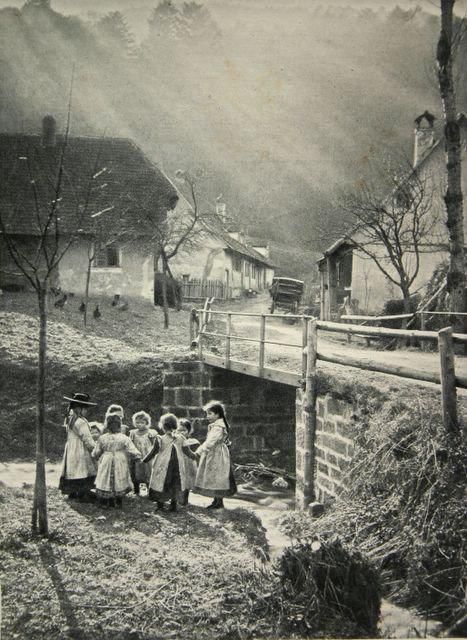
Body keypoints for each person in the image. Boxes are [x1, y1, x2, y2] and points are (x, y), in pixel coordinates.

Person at [193, 401, 236, 509]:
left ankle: (219, 502)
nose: (207, 416)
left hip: (217, 454)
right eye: (207, 414)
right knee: (214, 476)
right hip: (214, 453)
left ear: (218, 414)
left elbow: (210, 441)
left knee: (217, 476)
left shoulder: (218, 427)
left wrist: (199, 451)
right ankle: (216, 500)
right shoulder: (216, 425)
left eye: (210, 414)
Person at [92, 414, 142, 509]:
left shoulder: (102, 438)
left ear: (107, 425)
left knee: (105, 477)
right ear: (119, 425)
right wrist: (137, 456)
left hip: (107, 458)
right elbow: (132, 449)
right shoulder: (124, 438)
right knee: (119, 477)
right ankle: (118, 501)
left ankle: (107, 501)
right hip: (120, 459)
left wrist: (96, 456)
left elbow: (96, 452)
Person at [142, 413, 187, 512]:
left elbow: (154, 452)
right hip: (177, 466)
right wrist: (195, 456)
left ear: (163, 426)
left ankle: (160, 506)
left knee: (160, 483)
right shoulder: (181, 438)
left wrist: (145, 460)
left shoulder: (160, 439)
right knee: (174, 484)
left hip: (163, 465)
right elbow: (187, 450)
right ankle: (173, 505)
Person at [59, 392, 98, 501]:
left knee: (73, 468)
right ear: (78, 408)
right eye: (85, 409)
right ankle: (82, 493)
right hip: (80, 448)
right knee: (82, 468)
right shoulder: (80, 422)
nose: (86, 411)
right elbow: (87, 438)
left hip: (71, 447)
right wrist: (95, 449)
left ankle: (73, 492)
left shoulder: (70, 419)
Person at [129, 411, 158, 495]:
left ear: (147, 423)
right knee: (135, 472)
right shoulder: (133, 433)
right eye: (137, 422)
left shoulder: (151, 432)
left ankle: (150, 491)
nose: (140, 424)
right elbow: (130, 443)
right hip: (136, 455)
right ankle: (136, 490)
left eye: (142, 422)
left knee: (148, 472)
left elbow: (155, 444)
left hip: (147, 455)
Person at [177, 418, 199, 506]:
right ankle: (178, 499)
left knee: (187, 482)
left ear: (189, 431)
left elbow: (193, 452)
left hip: (188, 464)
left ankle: (185, 500)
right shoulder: (174, 440)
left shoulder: (191, 441)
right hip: (178, 463)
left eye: (184, 430)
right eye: (179, 430)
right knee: (179, 481)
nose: (181, 433)